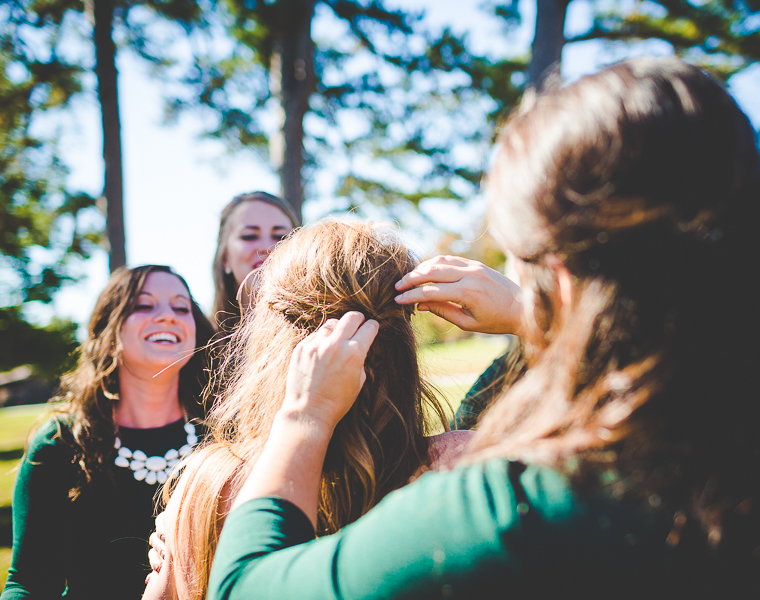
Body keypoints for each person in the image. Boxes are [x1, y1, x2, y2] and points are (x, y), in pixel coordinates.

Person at [204, 57, 760, 599]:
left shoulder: (513, 512)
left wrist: (302, 422)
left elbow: (243, 587)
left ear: (558, 269)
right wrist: (531, 314)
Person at [142, 221, 471, 600]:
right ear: (402, 342)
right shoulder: (459, 464)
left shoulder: (212, 482)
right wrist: (522, 316)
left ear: (270, 339)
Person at [1, 266, 214, 600]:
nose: (168, 317)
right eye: (144, 305)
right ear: (109, 329)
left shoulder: (225, 435)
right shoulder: (61, 443)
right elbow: (29, 583)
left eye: (181, 307)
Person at [211, 192, 300, 332]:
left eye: (280, 237)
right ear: (225, 258)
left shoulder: (328, 334)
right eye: (249, 236)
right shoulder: (195, 344)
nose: (267, 247)